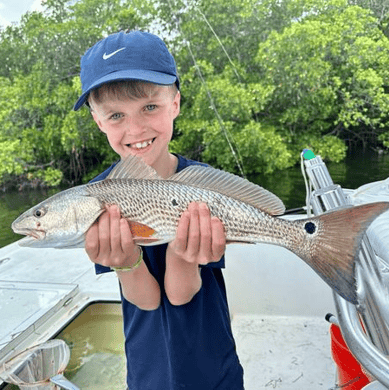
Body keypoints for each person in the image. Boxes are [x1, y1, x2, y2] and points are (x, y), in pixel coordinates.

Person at [74, 30, 244, 390]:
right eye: (116, 115)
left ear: (176, 104)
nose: (135, 129)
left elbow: (182, 295)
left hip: (213, 366)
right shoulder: (98, 200)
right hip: (147, 369)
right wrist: (126, 263)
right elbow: (147, 301)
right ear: (98, 120)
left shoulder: (205, 186)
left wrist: (184, 257)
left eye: (149, 107)